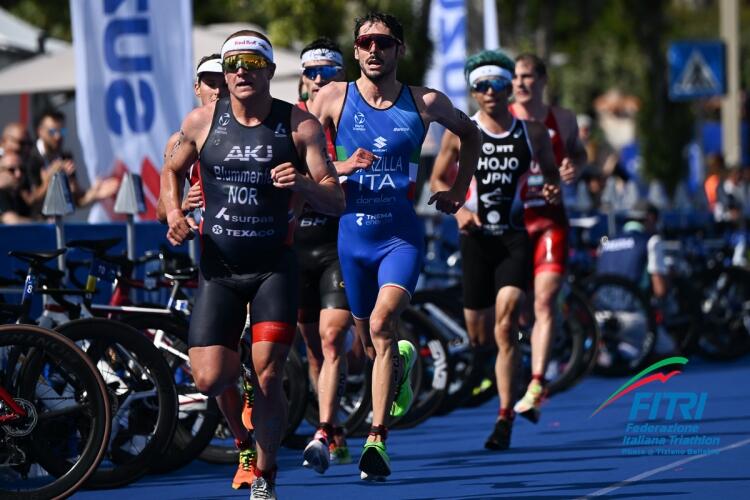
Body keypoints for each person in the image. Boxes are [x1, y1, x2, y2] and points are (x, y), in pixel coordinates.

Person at [157, 29, 344, 500]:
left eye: (253, 63)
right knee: (209, 377)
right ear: (224, 73)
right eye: (233, 64)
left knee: (269, 372)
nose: (242, 71)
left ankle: (266, 475)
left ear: (269, 71)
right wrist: (175, 214)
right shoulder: (201, 122)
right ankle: (243, 430)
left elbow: (336, 198)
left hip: (272, 269)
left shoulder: (299, 125)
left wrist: (302, 183)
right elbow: (171, 170)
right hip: (219, 270)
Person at [309, 11, 480, 481]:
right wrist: (341, 169)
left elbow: (471, 134)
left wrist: (458, 190)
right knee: (366, 344)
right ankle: (399, 365)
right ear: (355, 50)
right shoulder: (332, 97)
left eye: (383, 42)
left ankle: (377, 438)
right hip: (352, 239)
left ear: (399, 49)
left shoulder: (425, 101)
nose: (373, 50)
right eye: (365, 42)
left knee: (383, 324)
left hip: (399, 238)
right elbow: (302, 156)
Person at [430, 49, 561, 451]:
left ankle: (504, 417)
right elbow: (437, 180)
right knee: (480, 335)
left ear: (508, 88)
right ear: (473, 92)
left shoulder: (532, 133)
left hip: (513, 239)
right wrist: (459, 212)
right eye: (481, 85)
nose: (490, 91)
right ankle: (493, 367)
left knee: (506, 326)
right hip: (475, 240)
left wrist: (552, 187)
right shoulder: (461, 132)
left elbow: (551, 174)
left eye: (498, 84)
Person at [509, 53, 587, 423]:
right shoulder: (502, 118)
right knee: (518, 309)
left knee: (545, 301)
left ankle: (538, 384)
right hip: (513, 224)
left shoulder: (564, 119)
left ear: (542, 80)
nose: (520, 83)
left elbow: (579, 155)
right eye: (515, 77)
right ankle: (519, 366)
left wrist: (574, 167)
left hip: (550, 221)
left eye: (527, 76)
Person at [293, 38, 356, 474]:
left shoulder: (353, 117)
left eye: (327, 71)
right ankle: (332, 429)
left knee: (336, 340)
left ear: (341, 75)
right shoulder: (289, 121)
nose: (318, 79)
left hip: (340, 243)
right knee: (316, 352)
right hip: (299, 246)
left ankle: (324, 427)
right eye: (311, 72)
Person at [23, 109, 118, 216]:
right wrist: (49, 181)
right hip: (34, 223)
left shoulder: (65, 158)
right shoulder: (29, 158)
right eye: (52, 132)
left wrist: (94, 194)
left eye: (62, 131)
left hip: (58, 222)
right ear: (40, 131)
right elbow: (30, 202)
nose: (58, 136)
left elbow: (77, 200)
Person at [0, 152, 33, 224]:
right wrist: (44, 223)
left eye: (22, 169)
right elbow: (12, 221)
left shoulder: (18, 196)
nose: (18, 174)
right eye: (11, 170)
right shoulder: (1, 194)